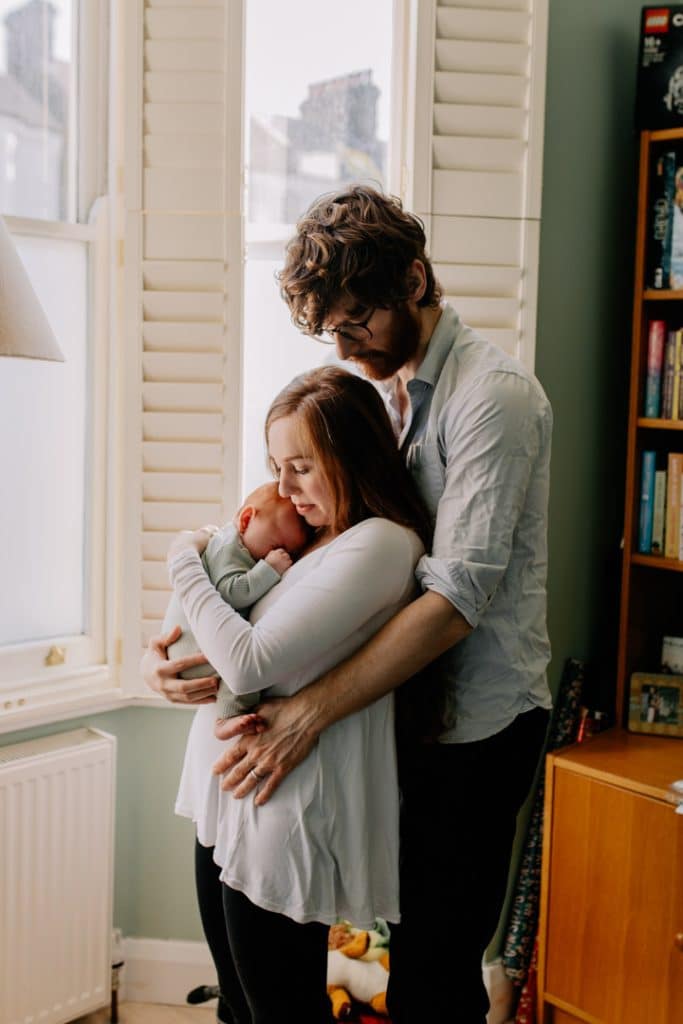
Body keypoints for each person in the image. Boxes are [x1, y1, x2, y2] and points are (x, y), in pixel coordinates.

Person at [199, 185, 554, 1023]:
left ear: (415, 281)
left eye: (357, 320)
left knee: (434, 968)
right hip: (392, 705)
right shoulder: (380, 394)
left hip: (475, 723)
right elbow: (314, 537)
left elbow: (454, 600)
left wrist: (307, 711)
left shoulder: (489, 399)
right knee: (346, 930)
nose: (345, 345)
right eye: (330, 331)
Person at [144, 365, 432, 1024]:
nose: (283, 488)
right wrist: (150, 663)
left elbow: (245, 662)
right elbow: (209, 615)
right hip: (227, 796)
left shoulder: (380, 545)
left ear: (351, 457)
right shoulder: (299, 535)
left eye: (300, 467)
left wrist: (180, 556)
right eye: (277, 467)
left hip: (284, 810)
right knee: (237, 1007)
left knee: (278, 1008)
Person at [161, 481, 309, 719]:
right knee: (243, 679)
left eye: (288, 552)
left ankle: (227, 718)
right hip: (192, 650)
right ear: (246, 519)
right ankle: (230, 717)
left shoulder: (235, 543)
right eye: (276, 546)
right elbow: (231, 593)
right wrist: (269, 569)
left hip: (188, 653)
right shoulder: (229, 548)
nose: (278, 555)